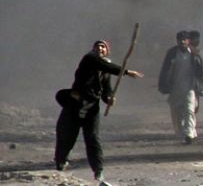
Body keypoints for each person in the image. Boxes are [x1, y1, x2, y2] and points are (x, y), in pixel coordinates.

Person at [54, 40, 144, 181]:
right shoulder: (89, 59)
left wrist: (109, 99)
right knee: (67, 135)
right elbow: (104, 65)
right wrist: (126, 72)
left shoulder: (105, 71)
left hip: (91, 107)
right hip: (75, 104)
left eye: (103, 47)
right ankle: (61, 161)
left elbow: (105, 91)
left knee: (93, 138)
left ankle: (98, 170)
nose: (100, 48)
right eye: (98, 46)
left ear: (106, 51)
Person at [158, 30, 203, 144]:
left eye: (184, 39)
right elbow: (164, 70)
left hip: (190, 88)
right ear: (177, 41)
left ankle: (189, 133)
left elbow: (201, 71)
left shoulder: (195, 54)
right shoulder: (171, 53)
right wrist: (163, 85)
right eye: (180, 40)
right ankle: (181, 133)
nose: (182, 42)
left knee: (189, 110)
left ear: (188, 41)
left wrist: (202, 83)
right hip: (174, 87)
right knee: (176, 112)